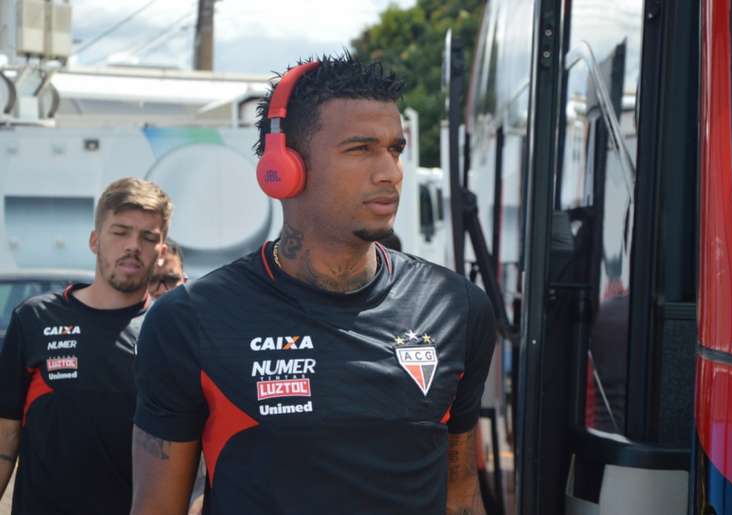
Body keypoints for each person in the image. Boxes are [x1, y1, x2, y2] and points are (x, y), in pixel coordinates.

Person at [131, 54, 496, 515]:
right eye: (361, 149)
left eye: (395, 149)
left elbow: (460, 497)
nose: (390, 172)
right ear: (284, 169)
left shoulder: (456, 308)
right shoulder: (189, 321)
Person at [0, 177, 172, 514]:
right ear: (95, 240)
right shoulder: (34, 319)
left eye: (148, 237)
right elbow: (5, 440)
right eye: (120, 232)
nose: (133, 246)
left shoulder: (170, 332)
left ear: (161, 251)